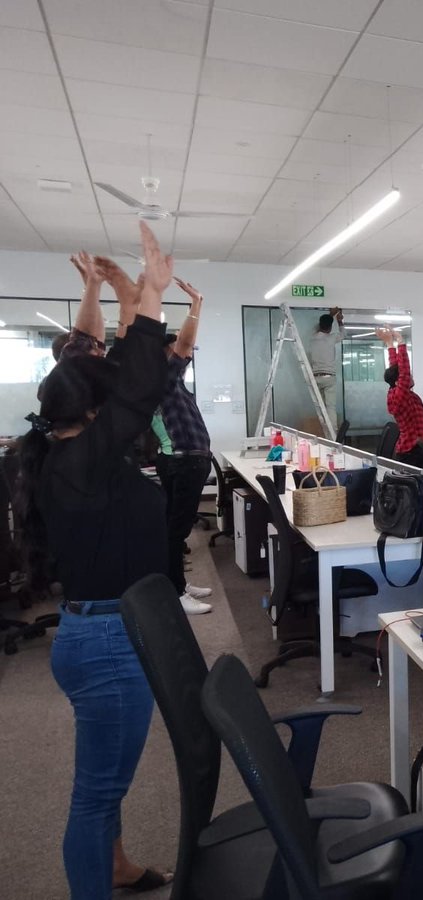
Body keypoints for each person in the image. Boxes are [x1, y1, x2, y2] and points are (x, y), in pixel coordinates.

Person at [13, 222, 174, 897]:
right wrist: (152, 299)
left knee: (103, 783)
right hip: (109, 642)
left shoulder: (61, 448)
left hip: (102, 631)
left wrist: (104, 290)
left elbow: (85, 357)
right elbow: (136, 388)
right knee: (95, 792)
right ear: (97, 409)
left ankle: (114, 866)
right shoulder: (86, 460)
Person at [155, 277, 215, 615]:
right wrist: (196, 303)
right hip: (182, 462)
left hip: (185, 461)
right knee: (175, 529)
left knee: (176, 528)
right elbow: (184, 342)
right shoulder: (161, 378)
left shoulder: (170, 382)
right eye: (176, 352)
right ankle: (176, 592)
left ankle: (177, 582)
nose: (185, 355)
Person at [377, 327, 423, 467]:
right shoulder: (401, 395)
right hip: (412, 451)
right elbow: (403, 371)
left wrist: (389, 344)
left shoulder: (396, 392)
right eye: (408, 375)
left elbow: (396, 368)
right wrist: (400, 341)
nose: (410, 376)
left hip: (413, 448)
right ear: (398, 381)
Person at [308, 307, 343, 431]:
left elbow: (319, 328)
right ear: (330, 327)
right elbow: (343, 334)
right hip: (329, 377)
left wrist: (330, 315)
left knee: (321, 407)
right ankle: (332, 432)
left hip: (315, 377)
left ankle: (324, 430)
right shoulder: (332, 338)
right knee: (330, 407)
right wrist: (339, 321)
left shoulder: (312, 338)